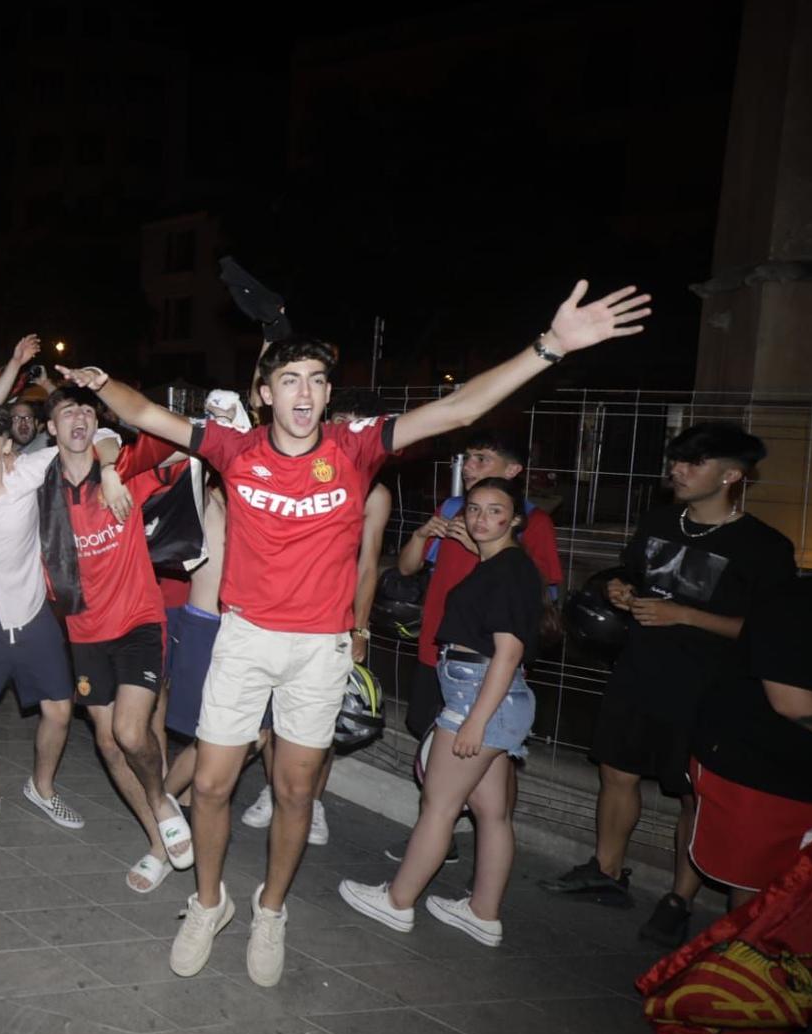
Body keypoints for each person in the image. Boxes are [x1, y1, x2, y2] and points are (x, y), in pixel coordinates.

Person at [66, 278, 651, 986]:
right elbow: (145, 411)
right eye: (289, 379)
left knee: (295, 788)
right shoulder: (234, 447)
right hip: (245, 638)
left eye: (316, 379)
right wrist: (99, 382)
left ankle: (271, 908)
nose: (305, 392)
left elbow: (460, 405)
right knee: (213, 786)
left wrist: (550, 345)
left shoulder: (355, 447)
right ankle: (208, 901)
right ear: (265, 393)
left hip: (319, 649)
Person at [540, 422, 796, 947]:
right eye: (676, 460)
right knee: (617, 772)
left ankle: (679, 899)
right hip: (639, 670)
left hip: (709, 689)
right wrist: (619, 586)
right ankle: (606, 871)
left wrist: (685, 614)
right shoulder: (659, 520)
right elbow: (635, 574)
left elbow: (774, 633)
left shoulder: (764, 547)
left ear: (730, 475)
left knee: (691, 797)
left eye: (691, 463)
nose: (676, 470)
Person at [339, 476, 543, 946]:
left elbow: (508, 652)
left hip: (479, 699)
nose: (481, 518)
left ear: (515, 519)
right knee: (491, 814)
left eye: (495, 510)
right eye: (473, 508)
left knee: (439, 806)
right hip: (492, 699)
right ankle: (483, 913)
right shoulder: (500, 563)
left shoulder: (510, 569)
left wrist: (474, 722)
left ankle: (397, 901)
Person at [0, 397, 134, 846]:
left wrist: (113, 471)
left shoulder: (29, 471)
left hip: (31, 610)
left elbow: (102, 436)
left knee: (60, 712)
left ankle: (41, 788)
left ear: (7, 446)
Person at [29, 382, 197, 890]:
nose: (78, 419)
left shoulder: (123, 471)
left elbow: (171, 438)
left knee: (129, 732)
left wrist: (109, 462)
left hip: (138, 620)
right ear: (51, 428)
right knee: (107, 743)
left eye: (86, 412)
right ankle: (157, 839)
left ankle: (163, 801)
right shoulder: (37, 491)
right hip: (83, 632)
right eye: (67, 413)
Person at [380, 428, 561, 862]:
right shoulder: (455, 508)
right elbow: (407, 569)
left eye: (481, 459)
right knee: (431, 742)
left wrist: (484, 550)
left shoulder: (530, 522)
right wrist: (425, 535)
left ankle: (449, 839)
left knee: (491, 756)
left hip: (487, 661)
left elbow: (541, 592)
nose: (470, 468)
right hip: (438, 650)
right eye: (468, 459)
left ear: (514, 471)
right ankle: (440, 836)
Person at [241, 389, 395, 846]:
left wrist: (359, 627)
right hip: (280, 616)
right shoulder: (303, 469)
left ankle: (314, 801)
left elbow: (368, 565)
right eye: (340, 418)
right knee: (270, 719)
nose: (344, 429)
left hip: (334, 621)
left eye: (356, 423)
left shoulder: (375, 492)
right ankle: (275, 791)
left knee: (317, 724)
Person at [688, 577, 812, 909]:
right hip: (763, 769)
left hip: (795, 770)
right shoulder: (793, 600)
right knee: (760, 891)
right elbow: (792, 703)